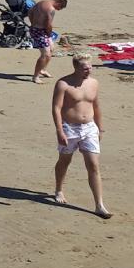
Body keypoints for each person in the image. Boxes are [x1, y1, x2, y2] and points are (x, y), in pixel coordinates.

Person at [51, 53, 110, 219]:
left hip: (89, 128)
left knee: (93, 165)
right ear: (76, 68)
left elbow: (96, 106)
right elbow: (56, 108)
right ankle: (59, 189)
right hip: (69, 128)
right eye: (85, 68)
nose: (88, 71)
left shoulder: (94, 83)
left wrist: (100, 128)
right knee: (65, 160)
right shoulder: (63, 84)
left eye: (90, 67)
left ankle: (99, 205)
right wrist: (59, 131)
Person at [27, 0, 68, 84]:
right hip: (40, 32)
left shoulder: (42, 2)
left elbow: (30, 12)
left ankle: (43, 70)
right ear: (59, 3)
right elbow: (48, 24)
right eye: (60, 8)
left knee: (51, 49)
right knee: (45, 54)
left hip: (35, 29)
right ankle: (35, 77)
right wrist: (49, 36)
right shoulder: (51, 9)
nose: (58, 10)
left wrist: (32, 23)